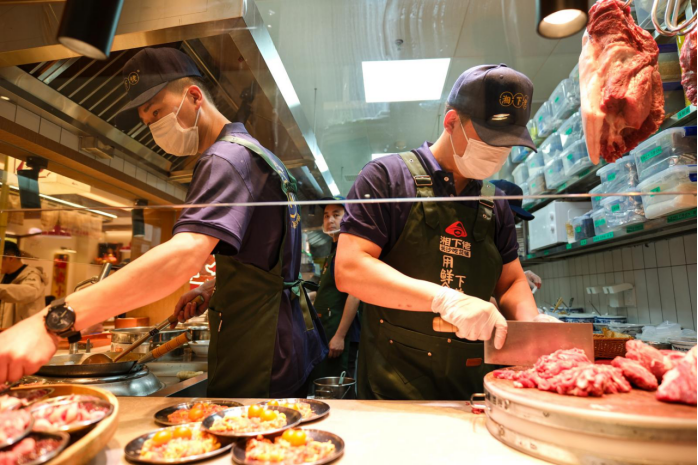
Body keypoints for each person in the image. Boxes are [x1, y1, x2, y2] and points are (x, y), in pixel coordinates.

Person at [0, 48, 327, 397]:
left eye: (156, 111)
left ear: (195, 96)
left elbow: (183, 256)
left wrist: (54, 321)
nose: (154, 126)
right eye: (147, 121)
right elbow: (269, 262)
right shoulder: (258, 155)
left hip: (258, 349)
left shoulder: (223, 158)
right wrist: (214, 287)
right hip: (284, 342)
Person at [335, 64, 548, 401]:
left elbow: (510, 283)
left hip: (474, 389)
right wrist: (444, 299)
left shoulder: (495, 204)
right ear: (451, 122)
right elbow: (350, 269)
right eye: (490, 140)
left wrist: (532, 323)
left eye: (507, 144)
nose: (498, 152)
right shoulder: (387, 178)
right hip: (395, 385)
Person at [309, 197, 361, 383]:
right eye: (326, 215)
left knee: (339, 388)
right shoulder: (334, 250)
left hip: (341, 335)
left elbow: (354, 295)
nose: (330, 220)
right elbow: (331, 290)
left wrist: (340, 336)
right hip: (328, 330)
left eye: (336, 215)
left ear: (347, 217)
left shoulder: (348, 250)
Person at [490, 179, 543, 293]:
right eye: (507, 214)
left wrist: (518, 278)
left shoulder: (500, 242)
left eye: (512, 217)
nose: (509, 222)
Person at [0, 241, 46, 328]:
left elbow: (27, 293)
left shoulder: (33, 275)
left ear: (11, 258)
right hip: (5, 329)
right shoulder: (3, 275)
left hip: (23, 330)